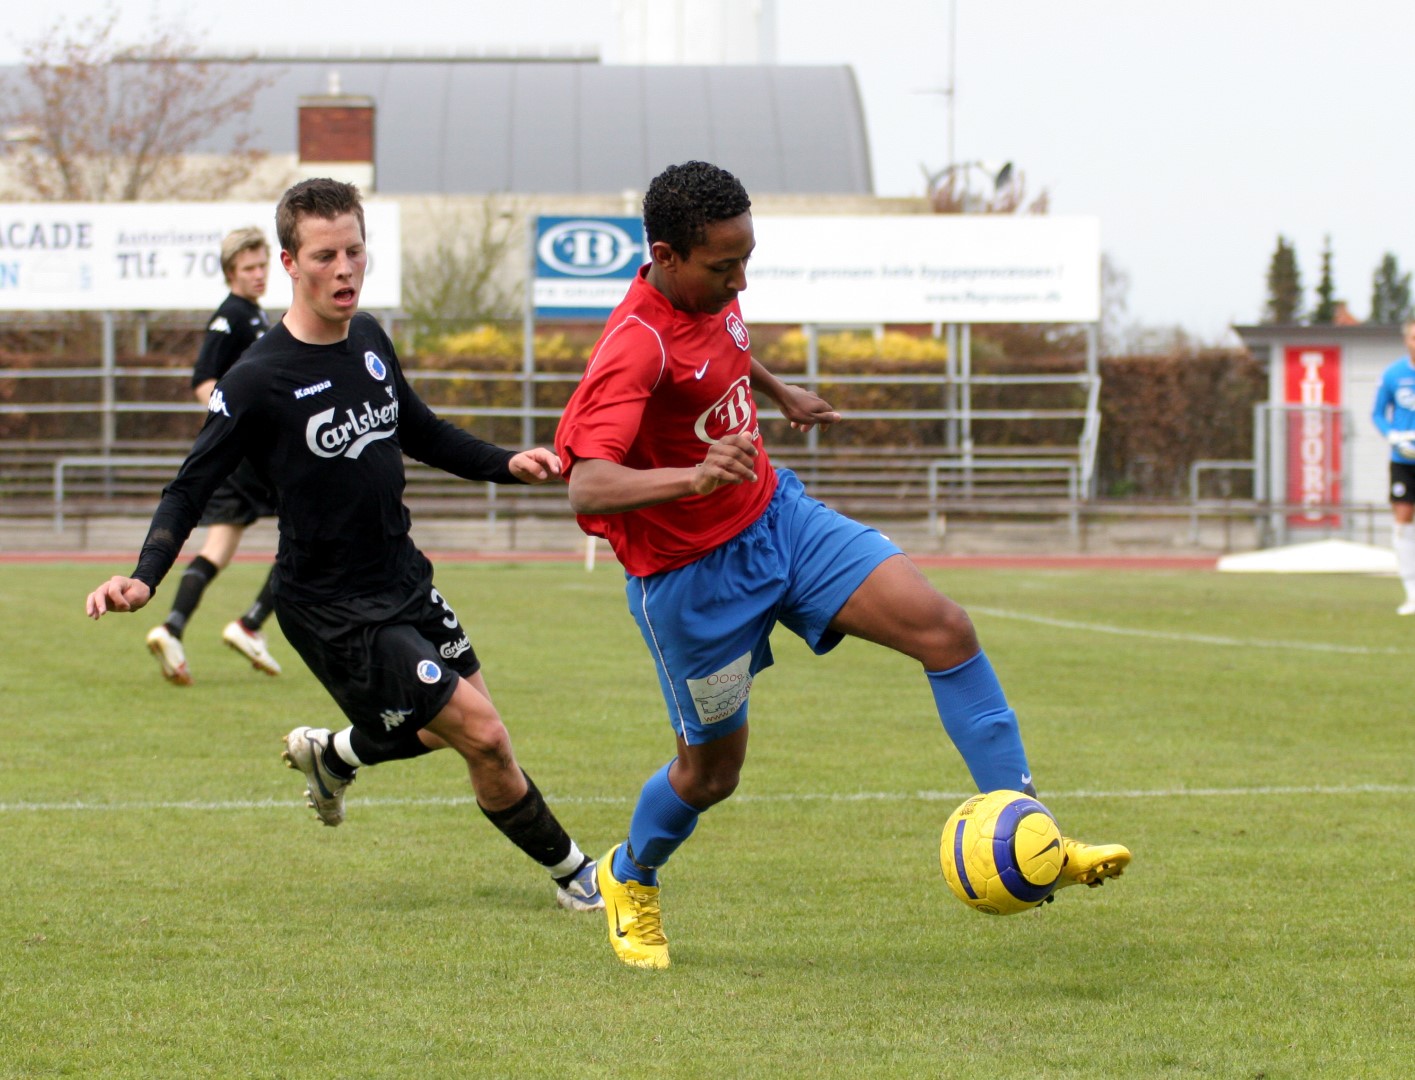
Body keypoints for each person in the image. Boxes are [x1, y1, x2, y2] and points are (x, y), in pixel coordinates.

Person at [554, 160, 1130, 969]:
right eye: (724, 267)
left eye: (746, 259)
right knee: (710, 775)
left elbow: (718, 349)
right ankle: (629, 876)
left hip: (778, 521)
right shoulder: (631, 346)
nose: (740, 280)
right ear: (665, 255)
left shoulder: (707, 291)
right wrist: (694, 476)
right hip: (690, 580)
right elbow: (587, 484)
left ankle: (1030, 832)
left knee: (944, 630)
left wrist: (778, 390)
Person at [87, 178, 603, 913]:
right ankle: (579, 877)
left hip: (404, 578)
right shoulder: (257, 378)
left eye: (354, 252)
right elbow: (188, 487)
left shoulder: (368, 339)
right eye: (324, 256)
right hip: (333, 607)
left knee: (465, 733)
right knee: (484, 735)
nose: (344, 269)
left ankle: (333, 754)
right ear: (289, 264)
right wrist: (144, 577)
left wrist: (506, 463)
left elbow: (420, 430)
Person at [144, 227, 283, 685]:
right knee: (319, 530)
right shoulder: (231, 316)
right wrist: (237, 422)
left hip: (241, 455)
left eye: (262, 265)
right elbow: (204, 380)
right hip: (251, 455)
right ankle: (251, 624)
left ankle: (172, 629)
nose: (259, 274)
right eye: (249, 268)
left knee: (218, 550)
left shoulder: (253, 314)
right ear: (230, 273)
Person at [1370, 316, 1415, 614]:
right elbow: (1377, 413)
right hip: (1403, 461)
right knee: (1403, 520)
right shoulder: (1393, 374)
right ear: (1406, 340)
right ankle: (1412, 592)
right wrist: (1393, 435)